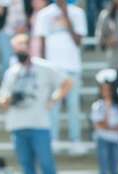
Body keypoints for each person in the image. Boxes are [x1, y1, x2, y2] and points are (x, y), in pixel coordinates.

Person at [0, 32, 69, 174]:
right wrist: (8, 100)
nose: (20, 50)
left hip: (39, 125)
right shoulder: (12, 72)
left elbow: (67, 83)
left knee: (46, 165)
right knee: (27, 167)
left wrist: (53, 100)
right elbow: (2, 100)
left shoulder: (44, 67)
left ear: (30, 47)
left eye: (23, 46)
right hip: (17, 126)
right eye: (17, 47)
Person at [32, 0, 84, 145]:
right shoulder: (44, 14)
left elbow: (78, 41)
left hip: (72, 67)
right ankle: (53, 138)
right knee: (52, 106)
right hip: (52, 69)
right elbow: (41, 42)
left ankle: (76, 139)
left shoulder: (77, 13)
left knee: (73, 106)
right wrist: (42, 67)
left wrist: (66, 15)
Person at [90, 67, 118, 174]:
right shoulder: (97, 106)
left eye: (108, 90)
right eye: (104, 89)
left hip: (115, 141)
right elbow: (101, 124)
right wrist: (107, 107)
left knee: (115, 171)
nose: (106, 92)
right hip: (102, 140)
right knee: (103, 171)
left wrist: (108, 127)